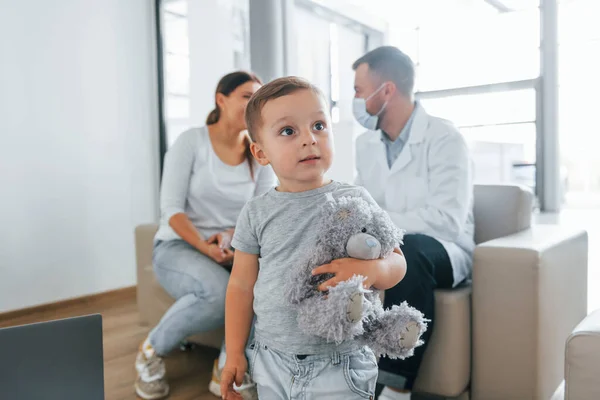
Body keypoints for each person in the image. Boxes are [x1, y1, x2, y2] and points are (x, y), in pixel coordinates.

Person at [219, 76, 408, 400]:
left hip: (342, 361)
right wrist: (234, 353)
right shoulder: (256, 212)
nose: (309, 139)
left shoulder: (354, 199)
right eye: (288, 131)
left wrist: (373, 272)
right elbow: (240, 286)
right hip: (271, 358)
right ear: (260, 152)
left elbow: (397, 260)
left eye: (319, 125)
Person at [134, 71, 276, 400]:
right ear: (221, 99)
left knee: (261, 286)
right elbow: (171, 208)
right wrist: (204, 246)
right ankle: (150, 352)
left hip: (233, 248)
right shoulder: (191, 142)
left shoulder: (260, 153)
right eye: (246, 95)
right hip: (178, 246)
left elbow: (260, 211)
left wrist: (230, 238)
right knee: (217, 292)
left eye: (258, 98)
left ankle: (229, 369)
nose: (253, 103)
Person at [352, 46, 475, 400]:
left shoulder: (444, 138)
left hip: (444, 249)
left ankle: (394, 387)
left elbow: (447, 221)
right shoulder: (366, 144)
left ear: (386, 90)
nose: (356, 100)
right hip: (383, 245)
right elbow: (362, 204)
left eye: (359, 91)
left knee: (411, 250)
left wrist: (379, 226)